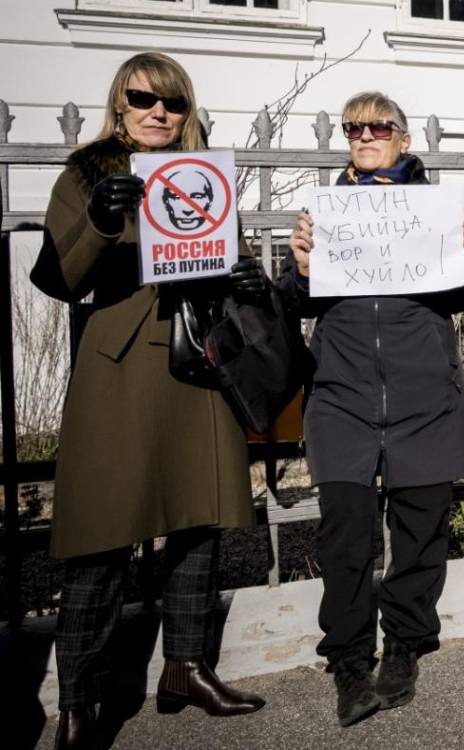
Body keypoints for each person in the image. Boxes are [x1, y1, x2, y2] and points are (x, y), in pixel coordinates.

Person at [31, 52, 267, 750]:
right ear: (120, 101)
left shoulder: (202, 173)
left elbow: (224, 256)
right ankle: (78, 702)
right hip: (120, 368)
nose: (157, 112)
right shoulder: (86, 172)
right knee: (102, 537)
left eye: (172, 102)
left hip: (198, 364)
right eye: (142, 98)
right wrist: (102, 223)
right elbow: (55, 277)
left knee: (199, 521)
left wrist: (245, 280)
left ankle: (187, 670)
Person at [280, 91, 464, 727]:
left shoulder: (437, 208)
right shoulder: (326, 208)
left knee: (421, 530)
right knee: (344, 531)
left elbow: (461, 299)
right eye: (354, 128)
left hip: (422, 393)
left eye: (378, 127)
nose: (364, 135)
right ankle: (347, 659)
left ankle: (404, 645)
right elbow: (299, 304)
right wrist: (301, 267)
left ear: (404, 139)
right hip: (342, 394)